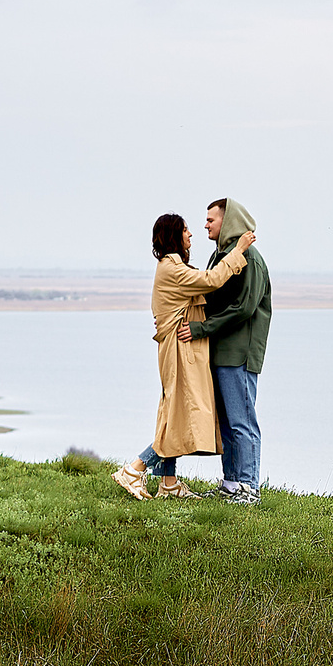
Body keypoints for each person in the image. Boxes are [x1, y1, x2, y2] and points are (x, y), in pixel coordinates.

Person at [110, 212, 253, 501]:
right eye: (186, 230)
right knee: (178, 417)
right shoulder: (172, 269)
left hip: (181, 347)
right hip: (179, 350)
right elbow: (211, 280)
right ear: (175, 235)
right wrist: (238, 251)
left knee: (173, 412)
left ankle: (169, 483)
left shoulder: (173, 266)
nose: (191, 235)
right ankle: (134, 469)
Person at [181, 198, 271, 504]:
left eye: (211, 220)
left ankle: (249, 488)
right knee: (228, 423)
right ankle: (232, 484)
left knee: (242, 421)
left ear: (228, 221)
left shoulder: (251, 259)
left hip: (240, 354)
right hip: (220, 353)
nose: (205, 224)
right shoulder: (221, 256)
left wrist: (201, 329)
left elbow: (244, 308)